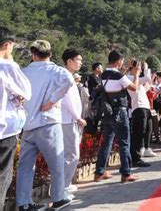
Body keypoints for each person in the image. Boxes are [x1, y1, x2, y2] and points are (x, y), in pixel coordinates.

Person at [17, 40, 74, 210]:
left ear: (33, 55)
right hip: (48, 123)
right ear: (50, 54)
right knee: (56, 164)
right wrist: (52, 100)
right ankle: (58, 198)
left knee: (25, 167)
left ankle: (24, 203)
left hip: (28, 125)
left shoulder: (24, 71)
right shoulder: (56, 71)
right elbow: (69, 81)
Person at [94, 50, 140, 183]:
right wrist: (136, 75)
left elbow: (112, 85)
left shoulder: (103, 75)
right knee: (124, 142)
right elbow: (133, 88)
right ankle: (126, 173)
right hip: (119, 111)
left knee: (106, 142)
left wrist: (124, 73)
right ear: (118, 61)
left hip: (107, 112)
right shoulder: (119, 75)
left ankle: (99, 172)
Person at [0, 29, 31, 210]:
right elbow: (25, 91)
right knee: (3, 175)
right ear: (7, 45)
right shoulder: (8, 66)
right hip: (5, 129)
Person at [60, 49, 88, 199]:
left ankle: (66, 184)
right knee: (72, 155)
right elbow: (68, 101)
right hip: (68, 120)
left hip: (70, 120)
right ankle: (62, 187)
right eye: (78, 60)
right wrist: (78, 118)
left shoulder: (68, 76)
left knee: (69, 154)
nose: (80, 62)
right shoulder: (66, 76)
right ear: (69, 61)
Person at [128, 61, 155, 168]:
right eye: (137, 67)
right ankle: (135, 158)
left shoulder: (137, 79)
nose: (139, 69)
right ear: (132, 69)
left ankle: (138, 156)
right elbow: (146, 78)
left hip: (145, 107)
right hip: (138, 108)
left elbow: (147, 85)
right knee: (138, 133)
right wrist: (146, 68)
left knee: (146, 131)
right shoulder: (130, 78)